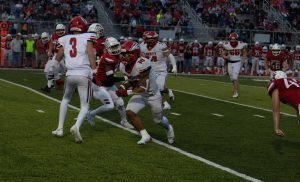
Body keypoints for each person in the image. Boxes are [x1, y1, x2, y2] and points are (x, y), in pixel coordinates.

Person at [51, 16, 96, 143]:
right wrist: (94, 71)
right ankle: (76, 126)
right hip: (83, 74)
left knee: (65, 99)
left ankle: (59, 128)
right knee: (85, 105)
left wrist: (55, 73)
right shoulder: (88, 37)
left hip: (70, 75)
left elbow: (57, 58)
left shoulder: (64, 39)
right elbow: (91, 54)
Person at [116, 46, 175, 145]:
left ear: (134, 53)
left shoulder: (143, 63)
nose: (124, 57)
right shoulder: (123, 66)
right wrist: (122, 86)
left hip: (152, 94)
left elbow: (144, 85)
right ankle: (145, 135)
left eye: (126, 54)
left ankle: (169, 128)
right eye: (123, 54)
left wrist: (127, 92)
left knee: (158, 121)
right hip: (141, 95)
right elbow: (132, 80)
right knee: (129, 112)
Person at [86, 36, 133, 129]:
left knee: (120, 103)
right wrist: (125, 77)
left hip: (108, 84)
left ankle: (124, 121)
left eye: (116, 46)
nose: (116, 49)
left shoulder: (117, 55)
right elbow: (110, 78)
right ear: (107, 49)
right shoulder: (108, 59)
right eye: (113, 47)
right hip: (100, 86)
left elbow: (127, 53)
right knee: (109, 106)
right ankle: (91, 114)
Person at [139, 31, 177, 110]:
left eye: (150, 39)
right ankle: (167, 95)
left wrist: (174, 66)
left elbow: (169, 55)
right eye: (147, 39)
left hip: (160, 71)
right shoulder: (142, 46)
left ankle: (165, 103)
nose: (149, 41)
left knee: (158, 88)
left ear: (155, 39)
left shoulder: (161, 45)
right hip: (149, 71)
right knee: (153, 89)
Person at [267, 71, 300, 137]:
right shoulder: (293, 81)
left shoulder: (276, 83)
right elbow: (296, 103)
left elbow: (275, 110)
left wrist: (276, 128)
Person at [222, 32, 247, 98]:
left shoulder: (241, 44)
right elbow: (223, 53)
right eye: (232, 39)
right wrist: (225, 57)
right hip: (230, 63)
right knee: (232, 79)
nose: (233, 41)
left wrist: (244, 59)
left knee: (235, 77)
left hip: (237, 62)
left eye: (234, 39)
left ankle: (235, 92)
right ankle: (237, 89)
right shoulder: (227, 45)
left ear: (237, 39)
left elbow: (244, 52)